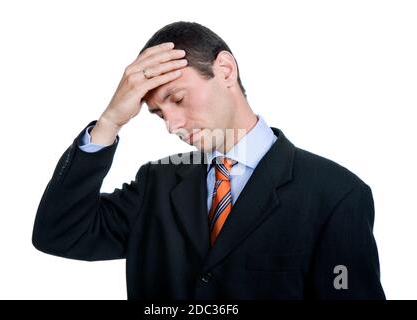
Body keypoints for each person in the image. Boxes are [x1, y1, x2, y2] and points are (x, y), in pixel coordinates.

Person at [32, 21, 385, 299]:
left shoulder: (336, 195)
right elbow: (60, 233)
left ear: (226, 70)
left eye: (179, 98)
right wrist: (110, 121)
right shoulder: (157, 184)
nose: (172, 125)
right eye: (158, 114)